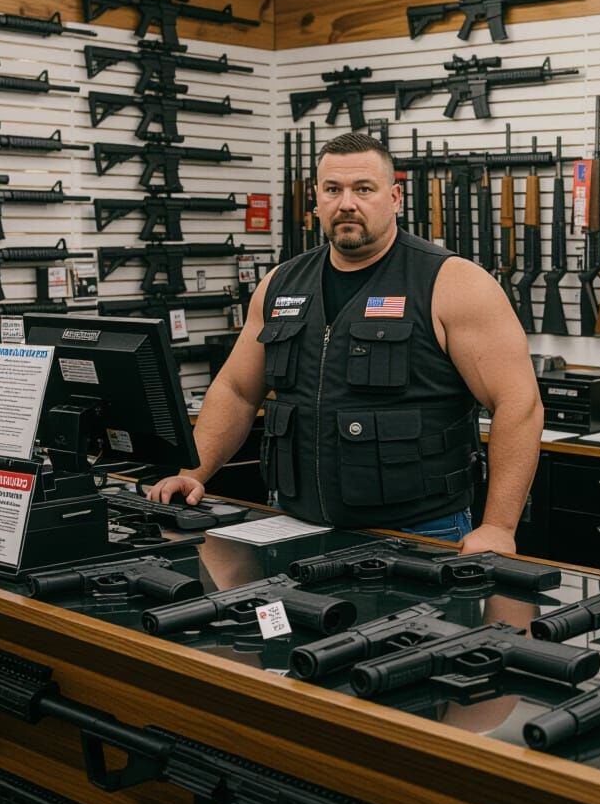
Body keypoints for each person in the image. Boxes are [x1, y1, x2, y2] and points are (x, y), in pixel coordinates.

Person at [148, 132, 543, 554]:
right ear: (316, 199)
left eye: (363, 189)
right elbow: (238, 391)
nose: (347, 203)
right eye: (333, 190)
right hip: (291, 524)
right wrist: (194, 471)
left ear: (394, 197)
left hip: (421, 533)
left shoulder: (452, 283)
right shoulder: (280, 284)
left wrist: (499, 526)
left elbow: (518, 404)